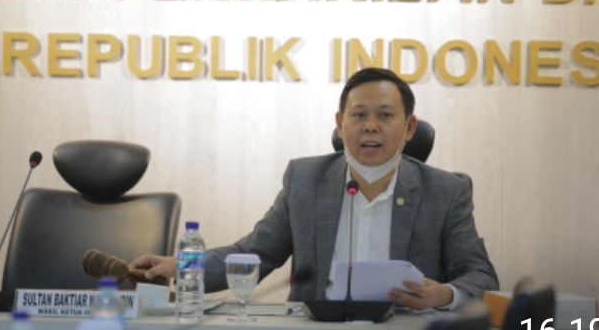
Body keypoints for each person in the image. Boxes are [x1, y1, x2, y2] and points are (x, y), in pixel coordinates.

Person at [131, 67, 499, 310]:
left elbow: (481, 277)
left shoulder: (445, 192)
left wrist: (442, 295)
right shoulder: (305, 181)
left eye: (385, 115)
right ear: (340, 124)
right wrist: (180, 266)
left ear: (409, 128)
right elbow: (252, 254)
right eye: (359, 115)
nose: (370, 126)